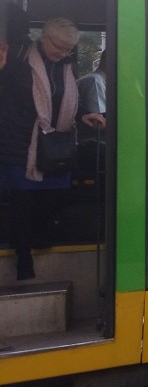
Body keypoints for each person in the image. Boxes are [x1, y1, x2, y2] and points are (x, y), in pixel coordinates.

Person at [0, 18, 105, 280]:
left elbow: (68, 100)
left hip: (56, 143)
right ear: (44, 38)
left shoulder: (66, 65)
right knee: (22, 203)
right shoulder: (18, 60)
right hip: (21, 144)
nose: (64, 53)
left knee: (58, 195)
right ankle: (24, 263)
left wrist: (84, 115)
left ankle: (38, 233)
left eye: (69, 49)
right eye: (60, 47)